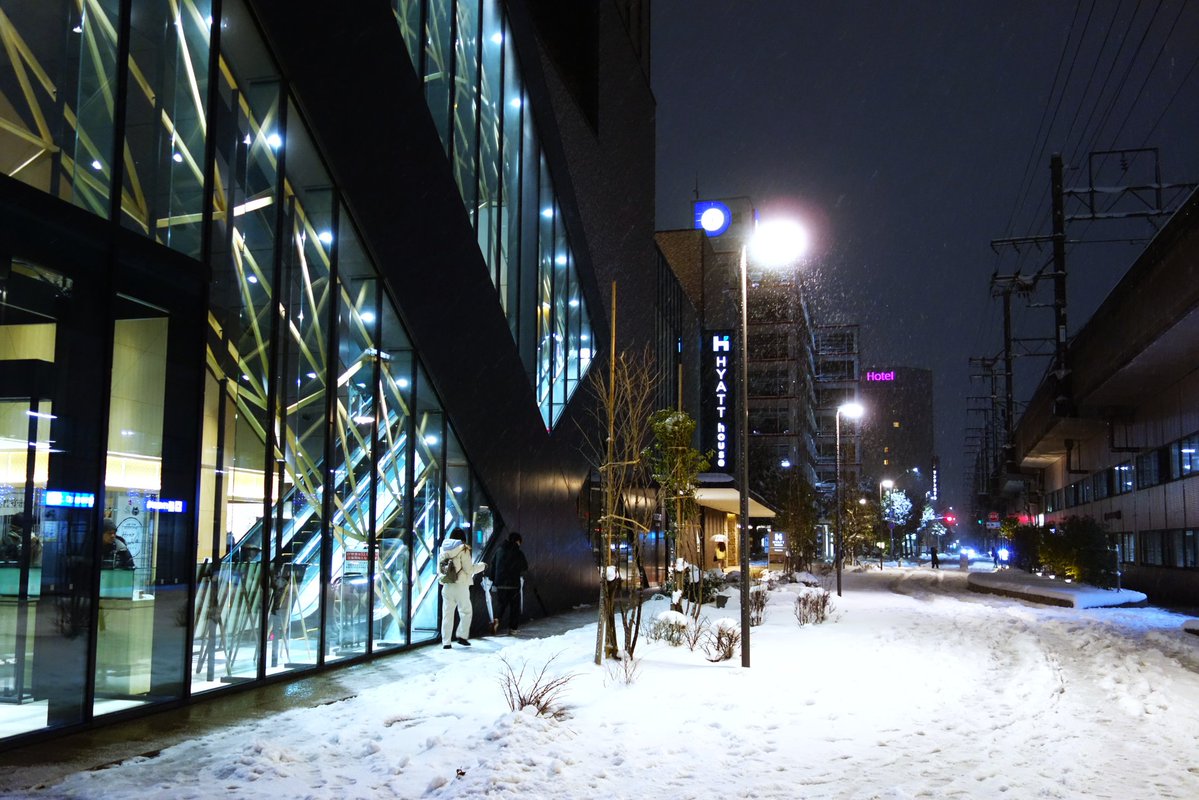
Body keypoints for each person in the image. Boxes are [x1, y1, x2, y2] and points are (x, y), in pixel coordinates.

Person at [437, 528, 485, 649]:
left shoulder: (443, 549)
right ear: (463, 538)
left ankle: (446, 642)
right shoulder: (463, 549)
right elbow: (469, 569)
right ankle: (462, 636)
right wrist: (482, 566)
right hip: (461, 585)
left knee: (447, 614)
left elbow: (440, 569)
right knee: (466, 611)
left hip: (447, 585)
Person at [490, 531, 529, 635]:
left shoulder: (499, 550)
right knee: (514, 608)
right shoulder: (518, 552)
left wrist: (493, 580)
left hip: (500, 584)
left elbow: (493, 565)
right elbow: (525, 566)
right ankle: (513, 629)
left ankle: (496, 619)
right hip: (513, 585)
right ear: (517, 541)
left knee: (501, 605)